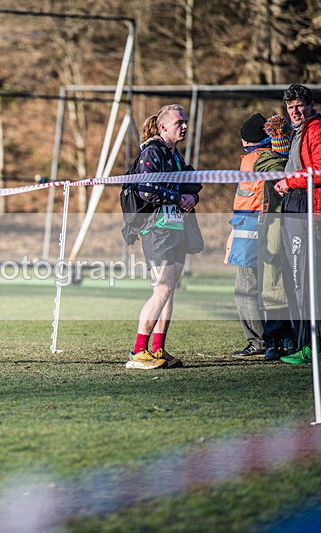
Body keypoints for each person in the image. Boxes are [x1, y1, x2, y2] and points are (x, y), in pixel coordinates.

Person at [126, 104, 201, 370]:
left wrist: (192, 196)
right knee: (162, 289)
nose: (184, 126)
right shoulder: (152, 151)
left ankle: (157, 349)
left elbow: (188, 183)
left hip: (176, 227)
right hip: (156, 229)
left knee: (170, 292)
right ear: (163, 126)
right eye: (179, 122)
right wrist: (178, 197)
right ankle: (137, 352)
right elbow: (147, 189)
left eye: (186, 121)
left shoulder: (174, 154)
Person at [273, 84, 321, 364]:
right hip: (294, 202)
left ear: (309, 105)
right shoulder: (298, 131)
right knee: (297, 276)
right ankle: (307, 343)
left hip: (306, 205)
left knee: (304, 277)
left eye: (298, 105)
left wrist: (290, 182)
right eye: (289, 107)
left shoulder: (318, 129)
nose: (294, 111)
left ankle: (314, 345)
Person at [224, 113, 270, 358]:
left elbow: (246, 199)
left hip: (249, 230)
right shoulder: (277, 155)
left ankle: (257, 340)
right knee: (269, 286)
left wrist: (234, 230)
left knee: (245, 289)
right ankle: (276, 339)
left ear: (246, 140)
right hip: (268, 229)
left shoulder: (252, 160)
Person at [253, 115, 296, 361]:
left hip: (292, 222)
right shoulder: (268, 161)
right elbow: (274, 170)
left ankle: (287, 336)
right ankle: (273, 339)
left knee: (289, 279)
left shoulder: (289, 161)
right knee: (272, 282)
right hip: (272, 225)